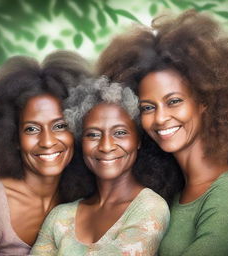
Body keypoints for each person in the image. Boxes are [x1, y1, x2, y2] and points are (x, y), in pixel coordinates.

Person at [96, 10, 228, 256]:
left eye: (173, 101)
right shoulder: (173, 195)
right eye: (148, 107)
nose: (160, 118)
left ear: (204, 101)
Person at [31, 77, 173, 255]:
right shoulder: (60, 216)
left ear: (138, 140)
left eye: (120, 133)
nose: (106, 146)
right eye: (93, 135)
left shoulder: (150, 208)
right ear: (80, 142)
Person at [0, 50, 92, 255]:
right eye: (32, 129)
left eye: (60, 126)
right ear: (12, 137)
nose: (47, 141)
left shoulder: (85, 192)